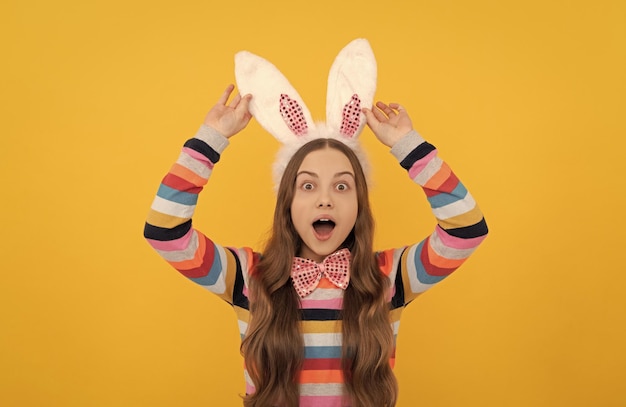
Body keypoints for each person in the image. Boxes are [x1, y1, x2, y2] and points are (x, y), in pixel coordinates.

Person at [144, 82, 488, 406]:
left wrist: (408, 145)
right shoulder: (248, 277)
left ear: (359, 204)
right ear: (288, 202)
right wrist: (211, 139)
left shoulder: (391, 276)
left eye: (342, 187)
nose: (325, 200)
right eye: (308, 186)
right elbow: (164, 230)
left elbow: (467, 230)